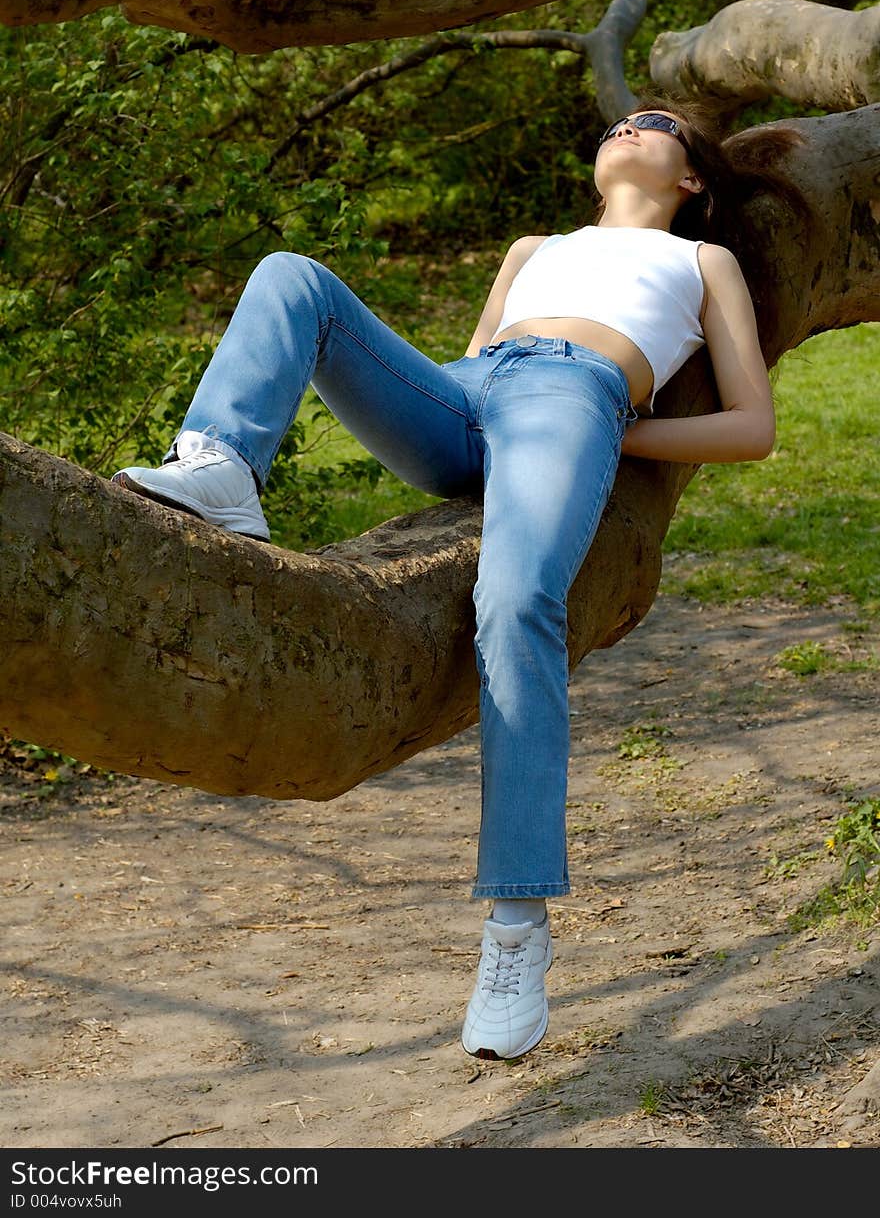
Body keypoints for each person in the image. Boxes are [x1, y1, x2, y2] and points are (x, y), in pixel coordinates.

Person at [111, 92, 809, 1062]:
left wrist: (616, 428)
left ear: (689, 176)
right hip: (470, 390)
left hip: (576, 396)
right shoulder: (534, 248)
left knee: (518, 605)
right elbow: (476, 362)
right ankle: (222, 465)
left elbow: (752, 426)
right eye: (620, 120)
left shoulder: (700, 261)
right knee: (291, 277)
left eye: (652, 123)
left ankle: (515, 930)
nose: (626, 126)